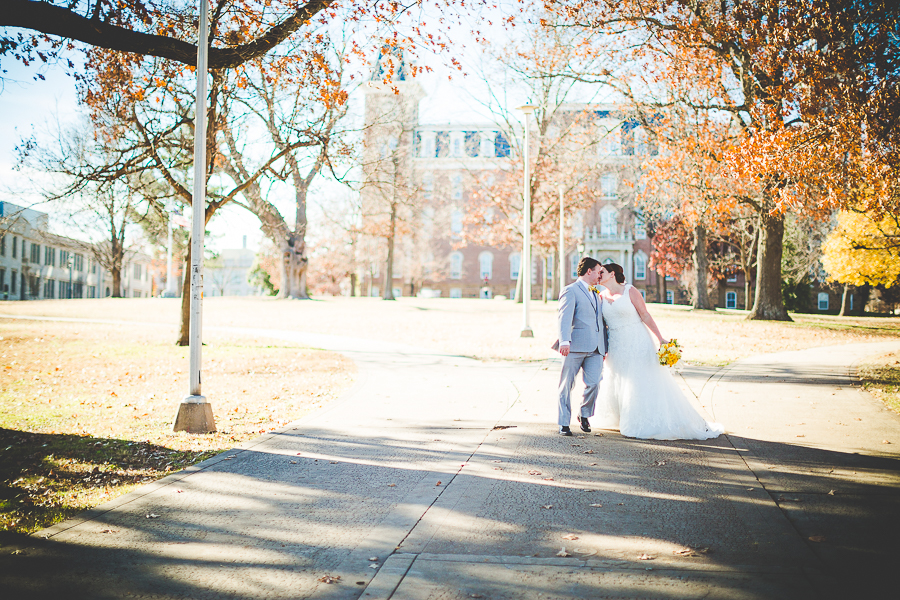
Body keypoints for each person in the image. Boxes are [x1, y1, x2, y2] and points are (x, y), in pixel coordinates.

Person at [594, 262, 724, 440]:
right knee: (618, 377)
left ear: (613, 274)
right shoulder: (600, 296)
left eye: (602, 272)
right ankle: (619, 417)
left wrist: (660, 338)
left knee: (640, 380)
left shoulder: (629, 291)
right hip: (616, 345)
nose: (598, 275)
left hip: (636, 341)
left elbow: (645, 315)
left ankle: (640, 420)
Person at [554, 257, 608, 436]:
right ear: (589, 271)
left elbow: (600, 321)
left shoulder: (597, 293)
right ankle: (563, 423)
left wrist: (604, 346)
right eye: (599, 271)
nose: (601, 275)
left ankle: (584, 414)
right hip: (574, 346)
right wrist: (564, 341)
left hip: (596, 349)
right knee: (566, 385)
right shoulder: (571, 290)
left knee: (594, 384)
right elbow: (564, 317)